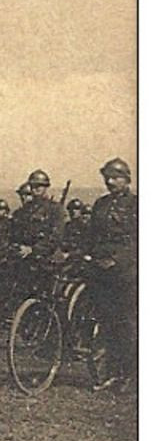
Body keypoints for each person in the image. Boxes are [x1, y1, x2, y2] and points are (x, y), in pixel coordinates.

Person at [88, 157, 137, 391]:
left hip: (126, 274)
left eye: (115, 177)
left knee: (126, 324)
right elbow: (92, 236)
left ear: (127, 179)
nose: (110, 181)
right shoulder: (100, 204)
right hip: (100, 272)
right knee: (105, 324)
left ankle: (129, 374)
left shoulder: (137, 205)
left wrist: (117, 261)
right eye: (107, 177)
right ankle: (109, 374)